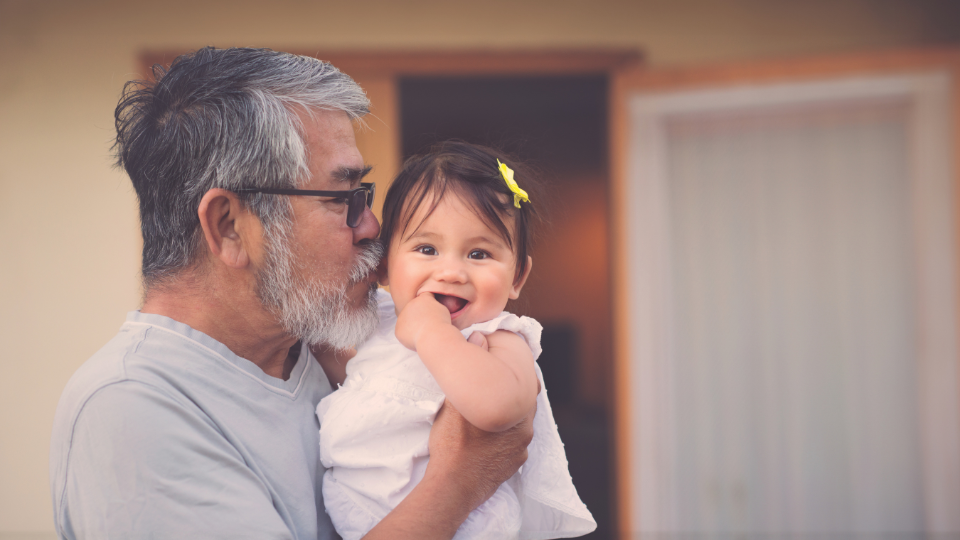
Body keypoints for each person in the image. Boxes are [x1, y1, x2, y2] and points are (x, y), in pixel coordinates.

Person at [48, 47, 533, 540]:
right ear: (230, 226)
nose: (372, 227)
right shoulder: (135, 411)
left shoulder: (328, 338)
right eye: (343, 199)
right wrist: (456, 483)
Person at [317, 141, 596, 540]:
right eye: (427, 248)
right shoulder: (376, 322)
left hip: (463, 526)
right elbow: (345, 369)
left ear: (517, 277)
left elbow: (499, 410)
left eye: (479, 254)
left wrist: (432, 332)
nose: (450, 272)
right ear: (383, 266)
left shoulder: (501, 339)